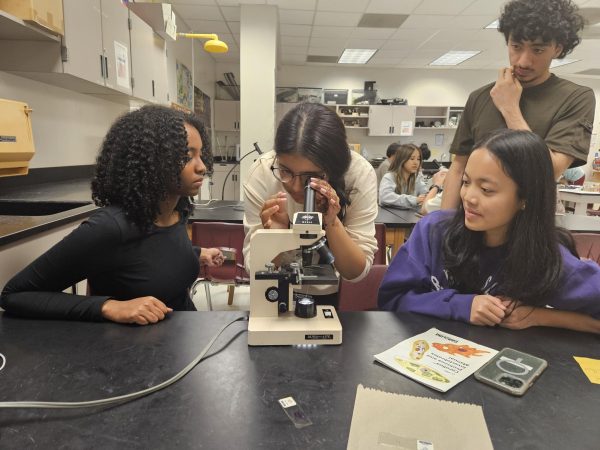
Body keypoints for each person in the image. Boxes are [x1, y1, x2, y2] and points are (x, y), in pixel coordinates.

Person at [1, 105, 224, 325]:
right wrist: (109, 306)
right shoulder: (111, 227)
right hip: (132, 352)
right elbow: (15, 294)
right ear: (152, 162)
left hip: (183, 339)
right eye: (187, 156)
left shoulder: (176, 211)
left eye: (200, 154)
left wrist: (195, 253)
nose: (202, 166)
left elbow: (151, 253)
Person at [378, 129, 600, 334]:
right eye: (466, 182)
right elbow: (391, 298)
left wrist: (539, 316)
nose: (469, 198)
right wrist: (461, 305)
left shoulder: (547, 259)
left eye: (486, 190)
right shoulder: (434, 231)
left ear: (525, 198)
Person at [441, 0, 595, 209]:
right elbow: (459, 167)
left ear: (557, 49)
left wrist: (510, 108)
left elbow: (549, 171)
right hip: (470, 225)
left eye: (537, 50)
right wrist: (442, 226)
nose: (523, 61)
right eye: (516, 47)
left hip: (529, 229)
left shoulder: (575, 98)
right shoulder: (479, 97)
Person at [243, 102, 378, 306]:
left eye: (311, 176)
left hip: (328, 295)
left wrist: (332, 223)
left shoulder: (359, 175)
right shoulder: (262, 173)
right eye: (286, 171)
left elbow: (356, 273)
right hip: (272, 290)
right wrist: (275, 237)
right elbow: (254, 269)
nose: (296, 187)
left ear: (335, 168)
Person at [379, 144, 439, 210]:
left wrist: (431, 192)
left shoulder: (416, 178)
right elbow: (385, 197)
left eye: (418, 159)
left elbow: (425, 193)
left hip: (408, 217)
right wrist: (415, 200)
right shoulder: (389, 177)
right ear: (402, 159)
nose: (416, 162)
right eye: (412, 158)